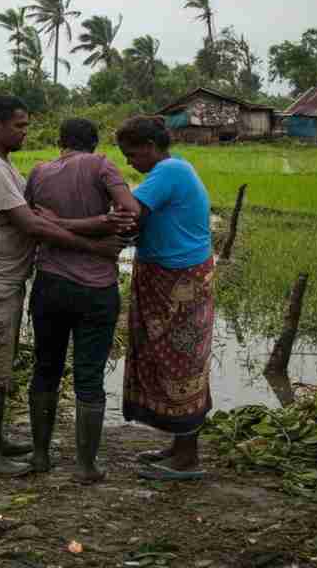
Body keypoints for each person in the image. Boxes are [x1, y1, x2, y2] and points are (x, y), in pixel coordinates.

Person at [0, 96, 130, 477]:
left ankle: (10, 447)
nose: (26, 132)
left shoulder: (18, 168)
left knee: (26, 367)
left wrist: (62, 223)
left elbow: (38, 215)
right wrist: (95, 243)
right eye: (19, 125)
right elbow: (33, 224)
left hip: (26, 282)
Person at [24, 118, 136, 482]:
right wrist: (98, 224)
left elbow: (31, 223)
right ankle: (86, 466)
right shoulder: (102, 165)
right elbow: (129, 212)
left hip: (50, 285)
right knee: (88, 376)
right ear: (94, 143)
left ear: (60, 142)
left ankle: (40, 456)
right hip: (96, 289)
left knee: (45, 369)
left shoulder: (38, 173)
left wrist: (60, 224)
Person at [114, 115, 215, 481]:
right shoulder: (174, 169)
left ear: (151, 147)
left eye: (132, 154)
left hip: (179, 281)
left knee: (182, 363)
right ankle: (179, 446)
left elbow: (130, 212)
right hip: (173, 274)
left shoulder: (169, 171)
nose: (130, 163)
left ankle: (187, 458)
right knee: (174, 360)